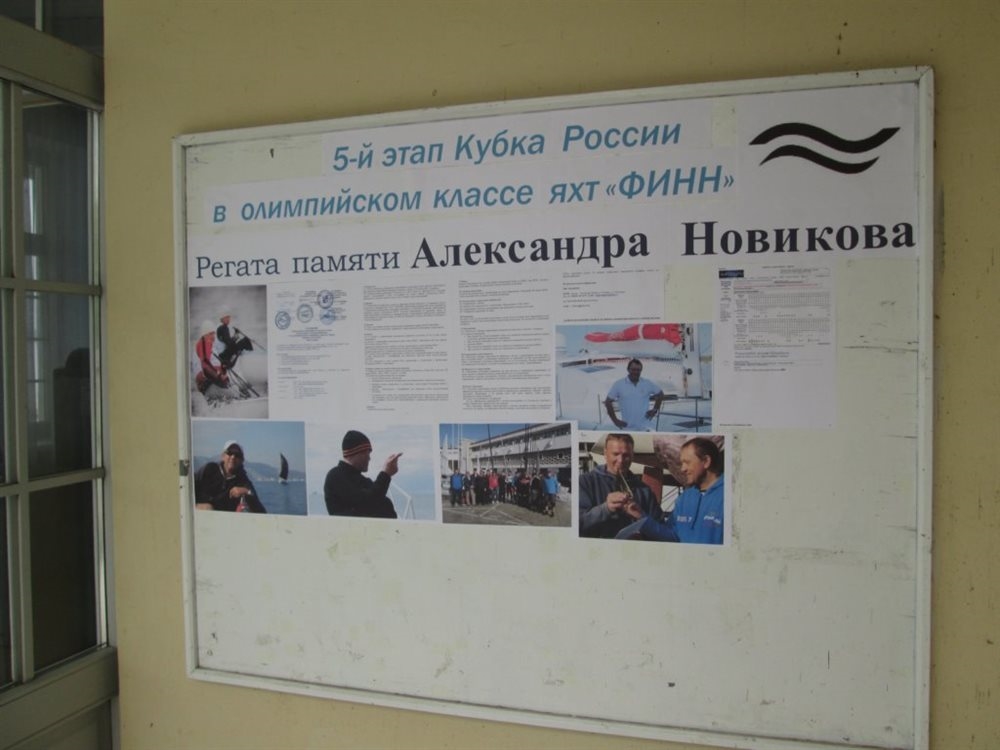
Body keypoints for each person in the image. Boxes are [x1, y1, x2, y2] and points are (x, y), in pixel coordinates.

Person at [578, 433, 674, 539]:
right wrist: (606, 508)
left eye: (626, 455)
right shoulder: (585, 482)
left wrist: (642, 516)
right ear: (605, 453)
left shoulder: (644, 490)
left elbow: (662, 531)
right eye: (615, 454)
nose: (621, 460)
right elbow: (578, 524)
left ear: (632, 455)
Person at [324, 430, 401, 518]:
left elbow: (377, 499)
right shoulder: (335, 476)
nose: (369, 458)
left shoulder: (361, 480)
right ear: (357, 453)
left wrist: (386, 475)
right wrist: (385, 474)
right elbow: (367, 503)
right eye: (367, 453)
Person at [671, 437, 724, 544]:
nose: (682, 469)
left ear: (706, 461)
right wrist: (643, 519)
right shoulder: (684, 498)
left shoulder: (730, 496)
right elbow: (672, 534)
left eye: (687, 462)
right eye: (682, 463)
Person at [194, 440, 266, 512]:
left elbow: (261, 511)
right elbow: (191, 486)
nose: (233, 457)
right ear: (223, 456)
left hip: (225, 518)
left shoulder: (243, 481)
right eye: (230, 453)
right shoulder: (209, 469)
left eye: (237, 455)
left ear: (242, 460)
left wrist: (246, 492)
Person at [604, 359, 665, 432]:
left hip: (646, 427)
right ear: (628, 369)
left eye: (638, 370)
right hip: (628, 428)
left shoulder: (647, 383)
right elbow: (608, 402)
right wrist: (615, 421)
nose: (636, 372)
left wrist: (655, 409)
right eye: (633, 369)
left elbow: (660, 394)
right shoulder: (619, 384)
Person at [193, 319, 229, 393]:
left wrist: (223, 368)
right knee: (226, 382)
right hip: (205, 379)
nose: (213, 336)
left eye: (214, 333)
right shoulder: (204, 343)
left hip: (207, 377)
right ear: (205, 334)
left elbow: (209, 363)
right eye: (211, 334)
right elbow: (205, 366)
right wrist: (219, 375)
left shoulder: (206, 344)